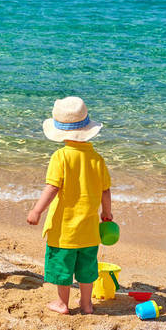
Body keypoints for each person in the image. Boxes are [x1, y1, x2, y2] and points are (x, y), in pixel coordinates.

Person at [26, 97, 112, 314]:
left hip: (64, 230)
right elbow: (105, 190)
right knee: (87, 269)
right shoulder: (97, 159)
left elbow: (52, 187)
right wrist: (107, 213)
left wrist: (37, 210)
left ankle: (63, 304)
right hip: (90, 230)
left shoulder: (61, 157)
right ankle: (86, 304)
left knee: (62, 268)